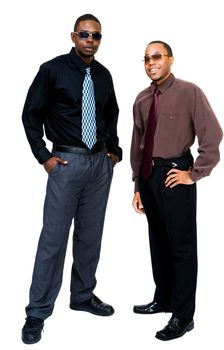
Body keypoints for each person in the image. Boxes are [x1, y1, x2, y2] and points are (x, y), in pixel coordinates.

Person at [21, 13, 122, 344]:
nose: (90, 40)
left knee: (90, 236)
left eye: (95, 36)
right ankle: (37, 312)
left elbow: (110, 114)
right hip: (67, 162)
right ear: (73, 37)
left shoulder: (104, 75)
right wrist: (43, 157)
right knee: (53, 239)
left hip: (98, 165)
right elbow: (30, 114)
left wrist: (114, 151)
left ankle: (82, 296)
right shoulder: (52, 70)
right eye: (84, 34)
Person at [130, 40, 222, 341]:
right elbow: (137, 145)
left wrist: (194, 174)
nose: (151, 62)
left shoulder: (189, 92)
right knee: (158, 241)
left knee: (182, 247)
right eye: (146, 58)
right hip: (148, 176)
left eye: (157, 56)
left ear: (170, 59)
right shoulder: (142, 99)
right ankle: (164, 298)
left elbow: (212, 134)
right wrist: (137, 185)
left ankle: (183, 316)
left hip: (175, 174)